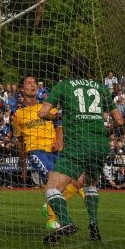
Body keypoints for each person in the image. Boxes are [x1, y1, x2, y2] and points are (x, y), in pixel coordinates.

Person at [39, 55, 123, 244]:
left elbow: (42, 113)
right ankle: (93, 223)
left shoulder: (63, 86)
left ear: (70, 70)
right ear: (89, 69)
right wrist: (104, 130)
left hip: (78, 144)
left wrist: (58, 115)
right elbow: (119, 120)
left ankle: (66, 222)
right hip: (100, 145)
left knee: (52, 189)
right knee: (91, 184)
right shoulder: (100, 87)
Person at [12, 75, 85, 230]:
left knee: (78, 181)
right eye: (29, 83)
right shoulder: (18, 115)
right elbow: (20, 142)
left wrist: (60, 140)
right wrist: (23, 165)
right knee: (54, 182)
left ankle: (49, 206)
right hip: (37, 152)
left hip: (55, 150)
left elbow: (59, 126)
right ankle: (52, 219)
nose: (33, 85)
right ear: (22, 89)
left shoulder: (47, 107)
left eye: (34, 83)